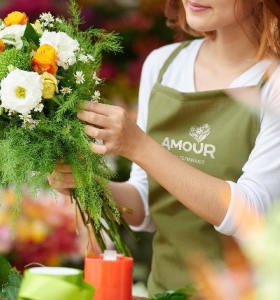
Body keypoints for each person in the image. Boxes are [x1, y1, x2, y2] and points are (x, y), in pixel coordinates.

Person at [48, 0, 280, 295]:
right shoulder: (162, 65)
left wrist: (139, 146)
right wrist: (87, 184)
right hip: (164, 291)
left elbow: (250, 215)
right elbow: (145, 204)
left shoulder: (274, 84)